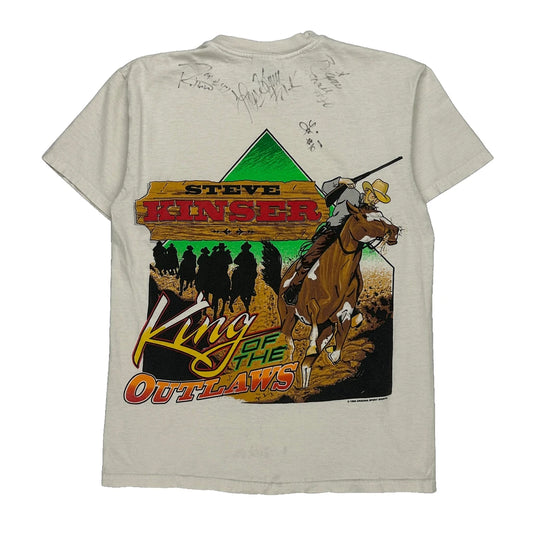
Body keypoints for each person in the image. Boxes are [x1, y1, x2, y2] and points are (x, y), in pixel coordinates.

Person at [283, 177, 391, 305]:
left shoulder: (372, 213)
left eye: (378, 199)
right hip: (332, 232)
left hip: (352, 242)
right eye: (374, 196)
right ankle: (294, 288)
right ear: (368, 191)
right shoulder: (350, 192)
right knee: (310, 257)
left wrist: (386, 234)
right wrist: (342, 181)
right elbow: (325, 187)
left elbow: (380, 227)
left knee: (354, 274)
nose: (374, 200)